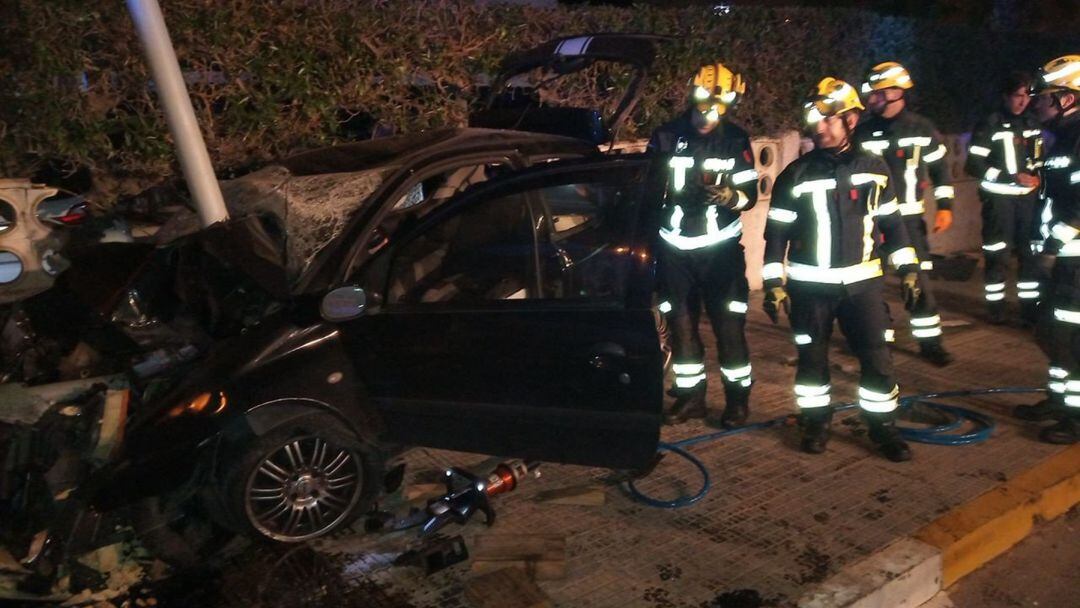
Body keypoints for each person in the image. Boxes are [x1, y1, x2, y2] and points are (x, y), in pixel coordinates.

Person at [763, 77, 921, 462]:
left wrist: (910, 270)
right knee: (811, 359)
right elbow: (775, 237)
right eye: (816, 119)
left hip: (862, 286)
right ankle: (816, 422)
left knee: (877, 358)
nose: (820, 127)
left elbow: (893, 226)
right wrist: (772, 283)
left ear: (851, 120)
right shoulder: (794, 175)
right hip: (809, 288)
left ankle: (882, 427)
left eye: (830, 119)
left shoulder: (875, 169)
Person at [648, 62, 759, 427]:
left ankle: (737, 401)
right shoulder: (665, 136)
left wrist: (730, 197)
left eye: (716, 108)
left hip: (720, 254)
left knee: (728, 327)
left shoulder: (736, 139)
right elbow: (646, 187)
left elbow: (751, 196)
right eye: (702, 106)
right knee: (680, 327)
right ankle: (691, 398)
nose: (707, 114)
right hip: (674, 251)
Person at [854, 62, 954, 366]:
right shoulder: (862, 132)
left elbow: (940, 169)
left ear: (896, 92)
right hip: (870, 223)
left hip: (908, 222)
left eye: (877, 92)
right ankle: (876, 341)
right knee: (871, 285)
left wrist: (946, 207)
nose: (871, 98)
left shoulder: (921, 129)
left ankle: (930, 343)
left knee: (918, 282)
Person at [1014, 55, 1080, 444]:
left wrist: (1054, 245)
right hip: (1062, 256)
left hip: (1075, 258)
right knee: (1049, 332)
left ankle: (1075, 419)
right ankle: (1058, 400)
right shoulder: (1063, 137)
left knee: (1068, 338)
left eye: (1045, 98)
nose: (1037, 104)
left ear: (1068, 99)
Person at [965, 72, 1045, 324]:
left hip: (1028, 201)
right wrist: (1010, 177)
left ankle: (1029, 309)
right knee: (997, 254)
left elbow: (1038, 160)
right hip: (999, 201)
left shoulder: (1032, 123)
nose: (1022, 102)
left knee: (1029, 255)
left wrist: (1039, 178)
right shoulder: (990, 123)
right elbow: (974, 164)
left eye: (1026, 96)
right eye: (1017, 96)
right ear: (1005, 97)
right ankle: (996, 310)